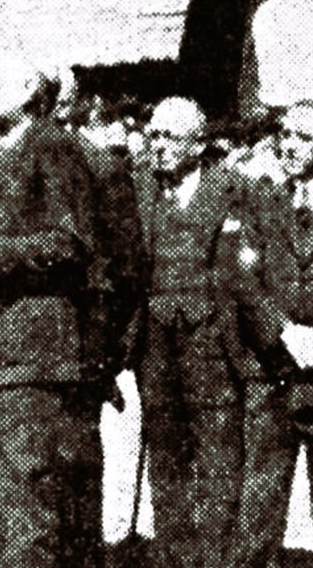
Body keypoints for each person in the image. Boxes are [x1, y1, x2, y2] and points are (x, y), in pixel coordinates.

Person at [0, 62, 111, 568]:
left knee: (26, 519)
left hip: (28, 359)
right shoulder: (9, 152)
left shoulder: (50, 146)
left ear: (25, 90)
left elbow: (72, 241)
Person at [130, 97, 265, 568]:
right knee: (165, 460)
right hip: (155, 346)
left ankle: (215, 560)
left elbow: (245, 270)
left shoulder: (235, 189)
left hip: (212, 345)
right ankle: (173, 558)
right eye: (153, 136)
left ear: (198, 142)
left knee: (218, 459)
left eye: (169, 137)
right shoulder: (139, 189)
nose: (158, 146)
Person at [226, 101, 313, 566]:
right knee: (259, 506)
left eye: (304, 139)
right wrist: (283, 332)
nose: (291, 148)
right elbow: (243, 280)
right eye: (287, 137)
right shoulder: (258, 199)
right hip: (274, 369)